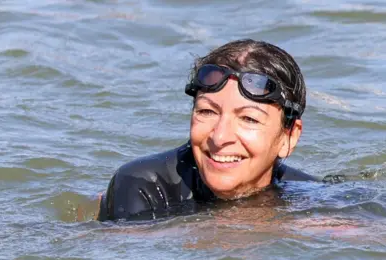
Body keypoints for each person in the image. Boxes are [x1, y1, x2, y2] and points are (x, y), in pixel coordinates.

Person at [96, 39, 319, 221]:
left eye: (248, 118)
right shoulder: (143, 185)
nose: (220, 137)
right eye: (207, 112)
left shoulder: (311, 196)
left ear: (289, 137)